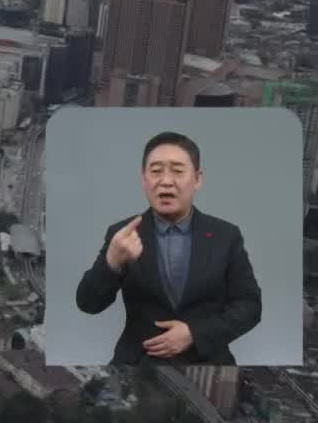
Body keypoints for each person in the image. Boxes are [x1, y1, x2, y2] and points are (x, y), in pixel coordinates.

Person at [74, 130, 261, 365]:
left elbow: (250, 306)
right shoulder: (123, 234)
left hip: (207, 363)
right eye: (155, 171)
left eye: (177, 171)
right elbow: (87, 304)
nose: (166, 181)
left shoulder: (226, 235)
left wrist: (195, 333)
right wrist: (111, 263)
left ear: (198, 178)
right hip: (138, 365)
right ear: (144, 179)